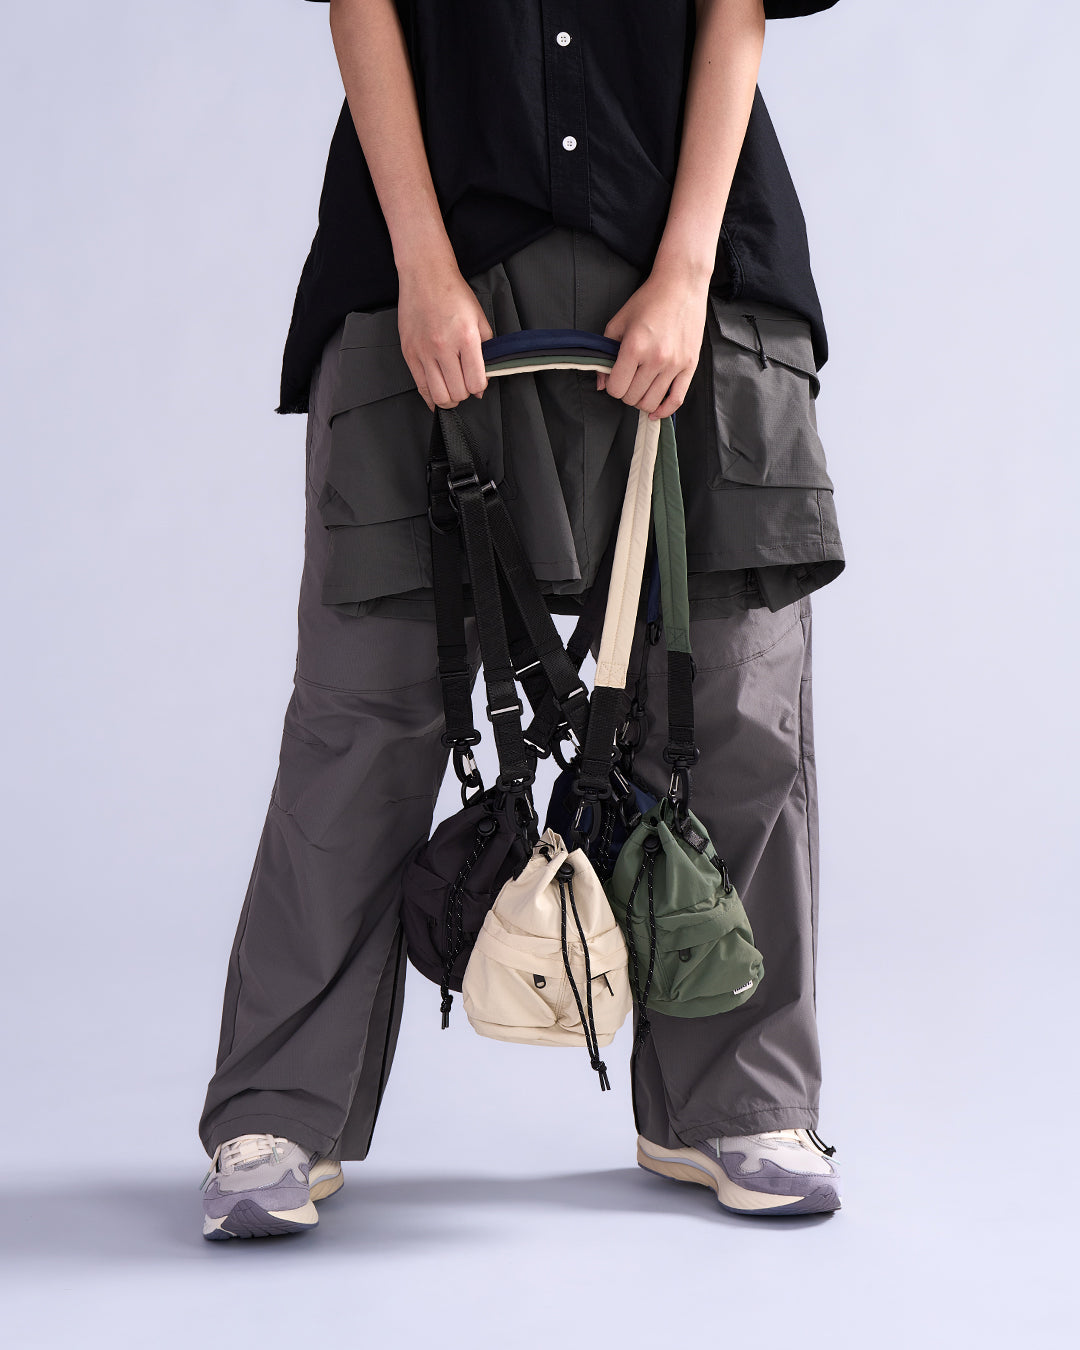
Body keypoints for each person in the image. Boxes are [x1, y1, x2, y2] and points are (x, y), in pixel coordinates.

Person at [198, 0, 846, 1241]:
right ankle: (279, 1112)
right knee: (363, 715)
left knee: (735, 707)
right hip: (428, 266)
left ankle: (737, 1103)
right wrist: (421, 265)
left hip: (698, 267)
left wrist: (685, 274)